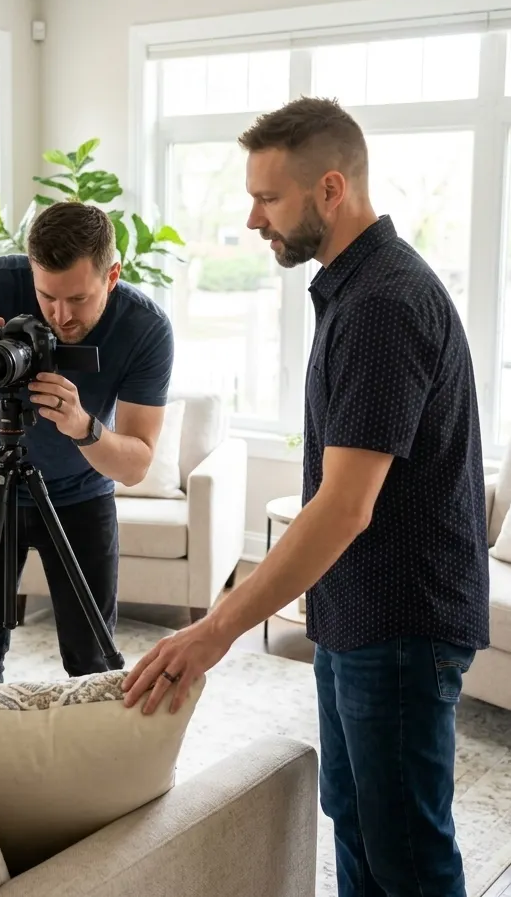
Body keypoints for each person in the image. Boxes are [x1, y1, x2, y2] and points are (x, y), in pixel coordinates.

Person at [121, 97, 490, 897]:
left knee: (407, 854)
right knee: (356, 820)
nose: (252, 219)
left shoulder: (382, 305)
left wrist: (215, 629)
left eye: (267, 197)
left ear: (330, 189)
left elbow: (343, 505)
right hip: (360, 612)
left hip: (400, 619)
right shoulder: (352, 288)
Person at [0, 200, 173, 686]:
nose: (60, 317)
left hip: (80, 498)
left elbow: (136, 465)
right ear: (30, 268)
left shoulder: (144, 328)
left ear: (112, 275)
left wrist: (82, 426)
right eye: (47, 296)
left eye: (78, 299)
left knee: (91, 663)